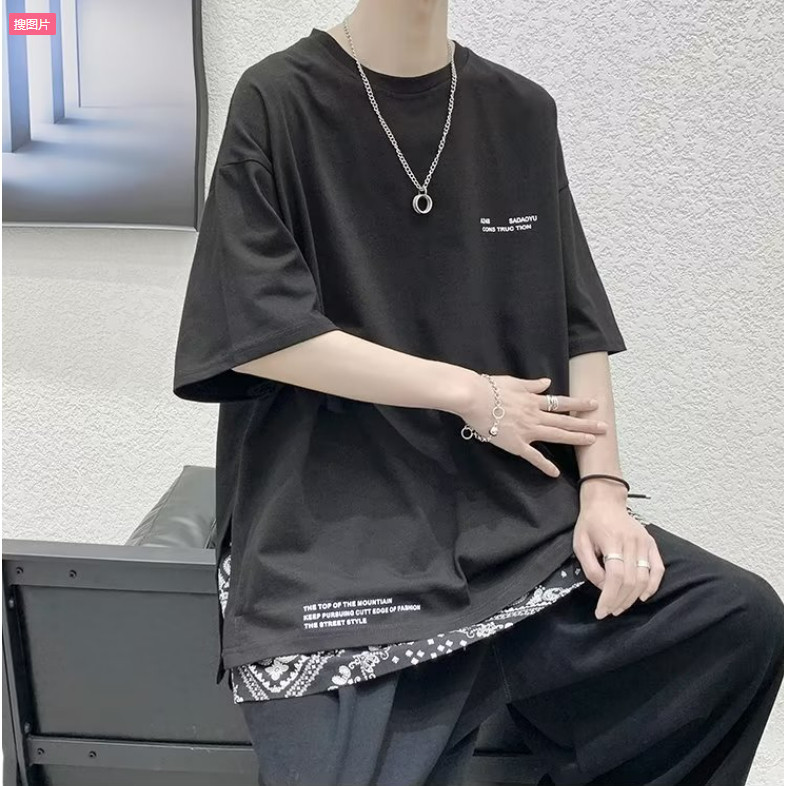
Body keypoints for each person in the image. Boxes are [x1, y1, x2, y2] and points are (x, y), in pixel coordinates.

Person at [172, 2, 784, 784]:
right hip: (339, 541)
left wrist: (603, 491)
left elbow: (576, 321)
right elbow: (259, 327)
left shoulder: (519, 111)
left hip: (516, 529)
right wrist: (469, 393)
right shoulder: (278, 99)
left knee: (732, 623)